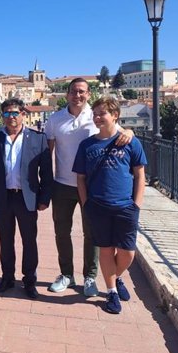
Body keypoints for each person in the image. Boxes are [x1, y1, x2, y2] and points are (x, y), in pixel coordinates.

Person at [44, 78, 133, 297]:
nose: (78, 95)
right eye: (74, 91)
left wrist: (130, 131)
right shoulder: (55, 120)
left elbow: (120, 132)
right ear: (67, 94)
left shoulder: (95, 116)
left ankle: (90, 277)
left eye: (82, 92)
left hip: (91, 187)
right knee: (61, 232)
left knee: (91, 234)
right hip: (62, 184)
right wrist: (44, 185)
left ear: (88, 94)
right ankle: (66, 274)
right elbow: (47, 153)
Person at [73, 97, 146, 314]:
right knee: (105, 249)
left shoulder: (130, 141)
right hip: (98, 206)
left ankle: (117, 276)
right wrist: (86, 204)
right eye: (94, 114)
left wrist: (137, 205)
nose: (97, 118)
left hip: (125, 206)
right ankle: (112, 291)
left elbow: (140, 175)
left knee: (127, 252)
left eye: (102, 113)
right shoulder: (87, 145)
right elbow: (81, 178)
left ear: (115, 115)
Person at [0, 98, 53, 299]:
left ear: (23, 114)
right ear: (2, 116)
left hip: (27, 198)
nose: (11, 117)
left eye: (15, 113)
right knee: (6, 241)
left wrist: (44, 198)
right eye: (7, 113)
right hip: (3, 198)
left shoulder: (38, 138)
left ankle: (29, 281)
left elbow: (46, 173)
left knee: (29, 241)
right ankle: (7, 278)